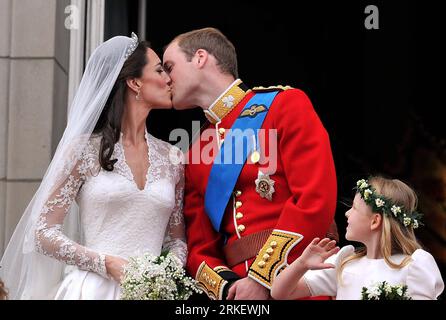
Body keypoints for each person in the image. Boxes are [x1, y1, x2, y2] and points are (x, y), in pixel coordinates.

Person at [0, 33, 187, 299]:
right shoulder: (83, 150)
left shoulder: (173, 158)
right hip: (94, 291)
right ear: (134, 82)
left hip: (154, 294)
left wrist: (165, 272)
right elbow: (41, 232)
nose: (169, 79)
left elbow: (176, 240)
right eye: (159, 70)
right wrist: (106, 263)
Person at [162, 27, 337, 300]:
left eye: (169, 67)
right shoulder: (195, 152)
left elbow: (315, 198)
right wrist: (230, 287)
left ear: (199, 58)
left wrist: (262, 277)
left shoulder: (284, 105)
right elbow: (199, 248)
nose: (166, 80)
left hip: (299, 283)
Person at [271, 176, 445, 300]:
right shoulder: (344, 262)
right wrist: (302, 264)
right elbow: (280, 293)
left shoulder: (413, 265)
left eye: (353, 208)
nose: (346, 213)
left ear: (375, 221)